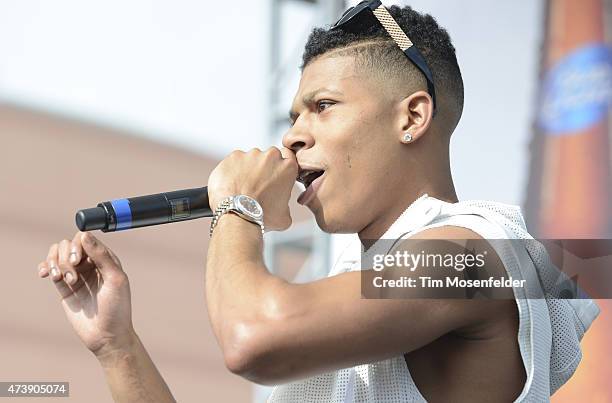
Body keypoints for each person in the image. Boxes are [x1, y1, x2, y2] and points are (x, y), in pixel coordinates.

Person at [37, 2, 599, 402]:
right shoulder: (347, 289)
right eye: (293, 117)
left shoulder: (468, 256)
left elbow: (252, 341)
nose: (292, 137)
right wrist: (118, 347)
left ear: (412, 117)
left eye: (322, 106)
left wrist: (240, 207)